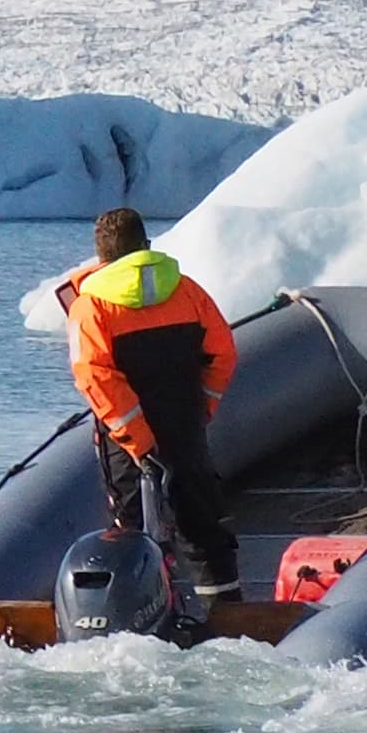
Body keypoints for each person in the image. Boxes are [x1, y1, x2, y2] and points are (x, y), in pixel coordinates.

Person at [51, 207, 241, 595]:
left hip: (128, 447)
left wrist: (138, 441)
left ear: (101, 255)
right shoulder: (187, 291)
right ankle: (226, 608)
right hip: (185, 429)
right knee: (203, 524)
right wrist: (202, 408)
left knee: (132, 531)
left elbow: (95, 376)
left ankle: (145, 608)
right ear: (146, 245)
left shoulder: (91, 307)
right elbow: (223, 352)